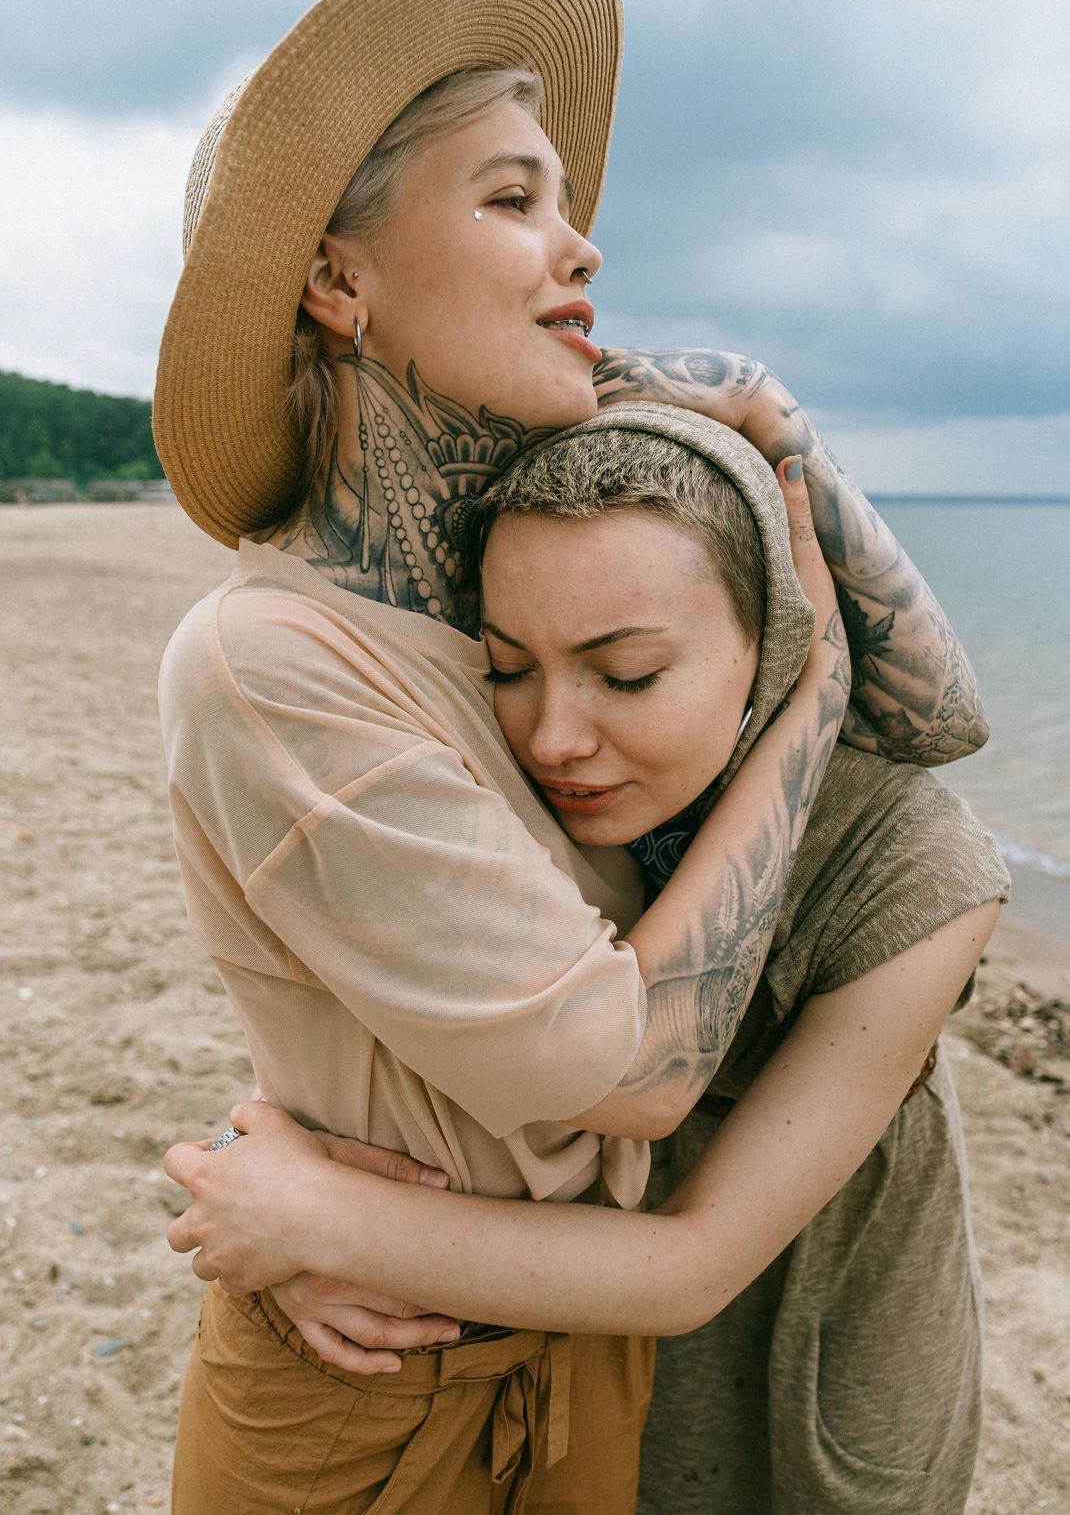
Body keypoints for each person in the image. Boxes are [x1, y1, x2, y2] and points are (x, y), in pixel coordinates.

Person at [153, 0, 995, 1509]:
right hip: (369, 1384)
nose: (582, 242)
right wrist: (805, 693)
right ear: (336, 274)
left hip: (572, 1349)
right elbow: (625, 1067)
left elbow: (940, 720)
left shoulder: (495, 579)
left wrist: (759, 410)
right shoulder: (266, 654)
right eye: (512, 196)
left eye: (564, 200)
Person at [166, 409, 1008, 1514]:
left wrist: (322, 1222)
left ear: (775, 643)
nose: (557, 734)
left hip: (819, 1365)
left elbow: (694, 1262)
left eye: (627, 676)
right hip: (586, 1372)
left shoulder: (911, 867)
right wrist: (249, 1153)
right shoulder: (532, 801)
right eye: (508, 667)